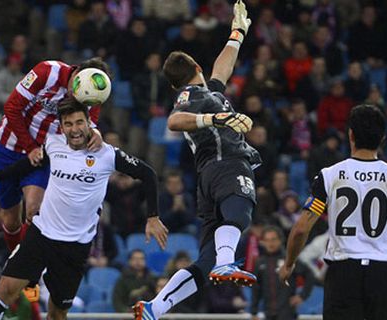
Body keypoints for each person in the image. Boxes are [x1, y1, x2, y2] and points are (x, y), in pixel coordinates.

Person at [0, 100, 168, 320]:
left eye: (79, 122)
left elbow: (149, 174)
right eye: (68, 124)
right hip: (41, 235)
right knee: (6, 290)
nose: (74, 129)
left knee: (57, 314)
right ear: (61, 126)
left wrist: (153, 217)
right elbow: (30, 163)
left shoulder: (107, 155)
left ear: (88, 124)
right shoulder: (53, 144)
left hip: (75, 247)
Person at [134, 2, 259, 319]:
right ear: (196, 70)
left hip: (208, 178)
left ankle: (155, 308)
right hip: (226, 164)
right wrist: (216, 119)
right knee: (240, 213)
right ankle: (227, 263)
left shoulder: (208, 92)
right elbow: (175, 122)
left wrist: (237, 33)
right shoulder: (192, 97)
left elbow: (223, 69)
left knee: (205, 262)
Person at [279, 105, 387, 320]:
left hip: (343, 275)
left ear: (350, 135)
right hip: (384, 275)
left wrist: (289, 263)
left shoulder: (329, 176)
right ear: (383, 138)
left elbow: (301, 228)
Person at [0, 57, 110, 251]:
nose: (77, 96)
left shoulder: (93, 93)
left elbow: (89, 125)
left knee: (34, 210)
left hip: (43, 156)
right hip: (7, 147)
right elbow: (12, 107)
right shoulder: (47, 72)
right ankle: (14, 259)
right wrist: (29, 146)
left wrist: (95, 133)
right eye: (76, 87)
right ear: (77, 71)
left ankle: (26, 273)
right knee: (11, 220)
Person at [250, 226, 315, 320]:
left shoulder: (289, 259)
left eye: (273, 239)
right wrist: (254, 312)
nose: (270, 243)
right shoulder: (260, 263)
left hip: (287, 312)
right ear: (263, 242)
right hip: (268, 313)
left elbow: (309, 275)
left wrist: (302, 296)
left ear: (280, 240)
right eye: (267, 240)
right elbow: (256, 288)